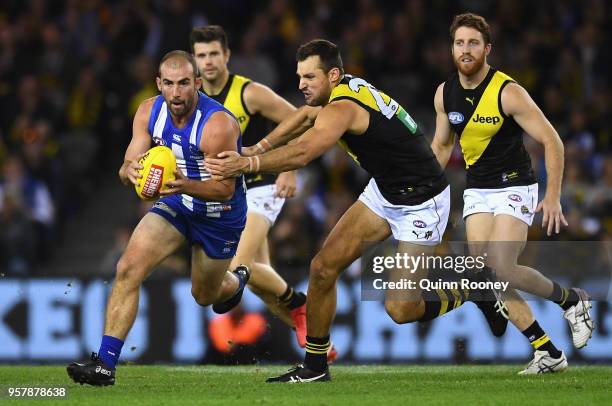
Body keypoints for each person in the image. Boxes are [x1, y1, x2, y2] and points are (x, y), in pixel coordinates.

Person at [206, 39, 507, 383]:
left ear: (333, 75)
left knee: (400, 309)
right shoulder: (339, 92)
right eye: (299, 76)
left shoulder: (343, 108)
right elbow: (304, 116)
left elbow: (305, 152)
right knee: (322, 268)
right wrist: (254, 147)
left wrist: (247, 162)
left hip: (422, 201)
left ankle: (474, 289)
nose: (301, 84)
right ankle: (316, 367)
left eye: (309, 77)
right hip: (386, 190)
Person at [67, 50, 250, 386]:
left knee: (204, 295)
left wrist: (185, 184)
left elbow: (225, 189)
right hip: (177, 204)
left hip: (218, 214)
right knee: (127, 268)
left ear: (197, 83)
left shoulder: (219, 124)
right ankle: (105, 366)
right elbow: (126, 169)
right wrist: (130, 172)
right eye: (169, 83)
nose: (176, 92)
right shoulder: (148, 111)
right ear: (158, 84)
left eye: (183, 83)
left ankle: (236, 281)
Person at [430, 13, 594, 374]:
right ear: (452, 48)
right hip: (477, 189)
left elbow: (552, 140)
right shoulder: (445, 93)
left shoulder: (508, 91)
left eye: (473, 43)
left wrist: (552, 197)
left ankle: (572, 301)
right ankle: (547, 351)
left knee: (501, 268)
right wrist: (422, 187)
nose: (466, 49)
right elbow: (442, 146)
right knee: (486, 274)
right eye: (459, 43)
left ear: (487, 49)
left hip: (514, 183)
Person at [190, 26, 312, 351]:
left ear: (227, 55)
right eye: (202, 55)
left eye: (214, 53)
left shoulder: (249, 93)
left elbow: (300, 120)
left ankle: (299, 302)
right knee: (259, 279)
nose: (209, 61)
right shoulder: (193, 100)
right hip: (231, 196)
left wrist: (289, 167)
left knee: (234, 268)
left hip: (264, 184)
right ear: (195, 61)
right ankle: (318, 346)